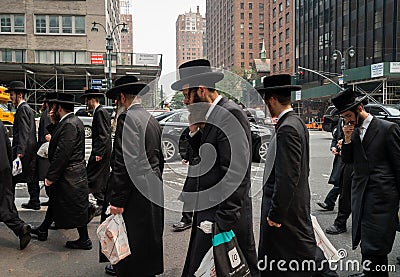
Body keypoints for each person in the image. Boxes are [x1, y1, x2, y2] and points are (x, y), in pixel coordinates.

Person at [171, 59, 259, 276]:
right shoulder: (210, 115)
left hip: (223, 216)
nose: (184, 101)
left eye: (186, 95)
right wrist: (194, 131)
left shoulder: (229, 114)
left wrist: (222, 221)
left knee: (234, 268)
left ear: (200, 90)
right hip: (210, 211)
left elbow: (236, 172)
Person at [257, 74, 336, 276]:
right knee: (291, 258)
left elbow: (287, 176)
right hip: (293, 205)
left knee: (304, 257)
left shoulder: (288, 128)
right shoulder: (296, 122)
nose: (266, 105)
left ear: (272, 99)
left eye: (266, 100)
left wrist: (276, 213)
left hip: (287, 211)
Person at [332, 89, 400, 277]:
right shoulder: (351, 131)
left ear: (359, 108)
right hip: (360, 195)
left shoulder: (387, 129)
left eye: (348, 116)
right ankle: (368, 272)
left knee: (376, 245)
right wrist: (346, 139)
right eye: (344, 117)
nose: (347, 121)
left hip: (382, 197)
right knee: (365, 239)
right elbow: (347, 160)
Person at [105, 76, 164, 277]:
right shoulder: (151, 118)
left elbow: (124, 163)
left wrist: (117, 200)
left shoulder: (126, 118)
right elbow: (159, 157)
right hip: (153, 184)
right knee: (150, 235)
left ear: (122, 97)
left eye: (116, 100)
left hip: (135, 189)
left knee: (134, 238)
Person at [31, 93, 92, 250]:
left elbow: (62, 154)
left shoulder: (70, 124)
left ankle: (84, 240)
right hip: (70, 174)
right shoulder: (68, 121)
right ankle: (43, 229)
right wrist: (53, 122)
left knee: (77, 207)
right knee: (56, 201)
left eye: (54, 106)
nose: (51, 109)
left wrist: (51, 176)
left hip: (70, 175)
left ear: (59, 107)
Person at [6, 81, 39, 210]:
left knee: (12, 178)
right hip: (29, 149)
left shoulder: (23, 109)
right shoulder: (26, 108)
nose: (10, 98)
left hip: (24, 150)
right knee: (31, 176)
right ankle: (34, 201)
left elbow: (24, 131)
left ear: (19, 95)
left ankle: (8, 207)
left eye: (12, 95)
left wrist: (20, 151)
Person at [0, 120, 31, 250]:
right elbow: (8, 145)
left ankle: (20, 227)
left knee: (4, 205)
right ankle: (20, 227)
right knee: (5, 202)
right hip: (4, 168)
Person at [80, 89, 112, 215]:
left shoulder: (100, 112)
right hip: (102, 151)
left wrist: (99, 152)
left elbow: (103, 134)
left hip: (101, 152)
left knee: (92, 178)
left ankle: (101, 202)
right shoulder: (100, 111)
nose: (87, 103)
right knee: (99, 178)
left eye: (87, 100)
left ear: (92, 100)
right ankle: (102, 203)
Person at [37, 92, 56, 206]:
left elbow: (46, 132)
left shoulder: (47, 114)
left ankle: (52, 199)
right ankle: (51, 199)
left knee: (47, 176)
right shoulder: (48, 113)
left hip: (47, 148)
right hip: (46, 147)